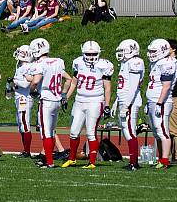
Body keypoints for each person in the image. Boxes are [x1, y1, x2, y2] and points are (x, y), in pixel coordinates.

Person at [61, 41, 114, 169]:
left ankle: (92, 162)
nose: (90, 56)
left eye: (93, 53)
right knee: (74, 132)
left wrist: (107, 105)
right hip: (79, 100)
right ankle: (72, 159)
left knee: (91, 132)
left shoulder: (103, 65)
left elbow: (107, 87)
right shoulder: (78, 62)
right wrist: (66, 97)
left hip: (95, 101)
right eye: (88, 54)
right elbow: (74, 83)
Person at [28, 37, 71, 168]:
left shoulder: (40, 64)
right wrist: (64, 94)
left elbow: (35, 81)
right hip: (57, 100)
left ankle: (49, 162)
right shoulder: (58, 61)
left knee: (46, 133)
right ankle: (48, 160)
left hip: (46, 101)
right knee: (51, 132)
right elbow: (68, 79)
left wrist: (32, 91)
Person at [146, 38, 177, 169]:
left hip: (162, 102)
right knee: (156, 131)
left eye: (154, 51)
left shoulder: (168, 63)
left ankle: (165, 160)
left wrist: (159, 103)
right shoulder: (157, 63)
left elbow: (166, 86)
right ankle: (161, 158)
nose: (151, 54)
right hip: (153, 100)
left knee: (162, 130)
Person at [114, 39, 145, 170]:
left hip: (131, 102)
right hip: (125, 100)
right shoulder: (126, 63)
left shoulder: (135, 62)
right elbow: (123, 86)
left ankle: (133, 162)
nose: (121, 54)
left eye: (123, 51)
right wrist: (117, 102)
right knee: (126, 130)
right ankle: (133, 162)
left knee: (130, 131)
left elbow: (132, 87)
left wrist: (126, 105)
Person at [11, 45, 37, 157]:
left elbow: (26, 84)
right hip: (19, 96)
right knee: (20, 124)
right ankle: (25, 150)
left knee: (25, 124)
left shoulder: (28, 67)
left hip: (25, 98)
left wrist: (15, 81)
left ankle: (27, 151)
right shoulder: (21, 65)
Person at [168, 39, 177, 162]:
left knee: (174, 130)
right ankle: (166, 155)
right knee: (165, 129)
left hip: (172, 98)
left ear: (173, 49)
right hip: (167, 98)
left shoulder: (175, 63)